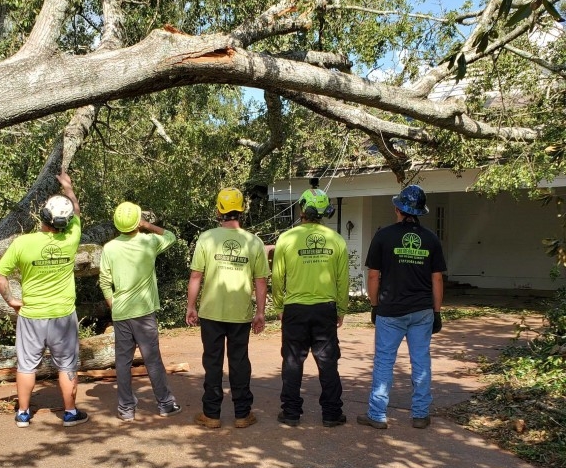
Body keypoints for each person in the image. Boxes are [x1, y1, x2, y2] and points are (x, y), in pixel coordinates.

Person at [0, 171, 88, 428]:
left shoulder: (22, 243)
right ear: (65, 222)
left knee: (26, 365)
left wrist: (11, 300)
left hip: (31, 314)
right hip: (63, 314)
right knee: (67, 365)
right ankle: (70, 413)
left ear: (43, 216)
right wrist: (69, 188)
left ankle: (23, 413)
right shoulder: (71, 238)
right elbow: (77, 213)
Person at [357, 184, 446, 430]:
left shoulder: (383, 236)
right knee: (421, 361)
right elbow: (437, 279)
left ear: (398, 208)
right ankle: (420, 415)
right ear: (420, 212)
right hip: (422, 311)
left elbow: (373, 276)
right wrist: (437, 312)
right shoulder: (431, 239)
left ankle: (377, 415)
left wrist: (374, 305)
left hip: (390, 311)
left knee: (384, 361)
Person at [185, 187, 269, 429]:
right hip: (240, 314)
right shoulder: (254, 241)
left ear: (218, 210)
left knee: (212, 362)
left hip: (211, 312)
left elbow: (196, 276)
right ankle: (242, 414)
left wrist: (191, 306)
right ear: (241, 210)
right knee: (239, 362)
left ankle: (211, 415)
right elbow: (261, 281)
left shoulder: (206, 238)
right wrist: (260, 312)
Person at [271, 185, 349, 428]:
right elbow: (342, 280)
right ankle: (332, 414)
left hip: (295, 309)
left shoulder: (286, 239)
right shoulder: (336, 240)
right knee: (328, 362)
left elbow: (277, 277)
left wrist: (279, 306)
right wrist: (341, 309)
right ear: (324, 212)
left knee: (292, 361)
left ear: (302, 209)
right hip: (325, 309)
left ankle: (291, 412)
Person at [99, 202, 181, 421]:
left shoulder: (109, 248)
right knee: (152, 359)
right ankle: (165, 404)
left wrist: (114, 305)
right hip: (144, 312)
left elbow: (104, 282)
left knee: (123, 362)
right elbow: (171, 236)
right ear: (137, 222)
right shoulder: (149, 241)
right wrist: (148, 225)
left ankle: (126, 409)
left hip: (121, 312)